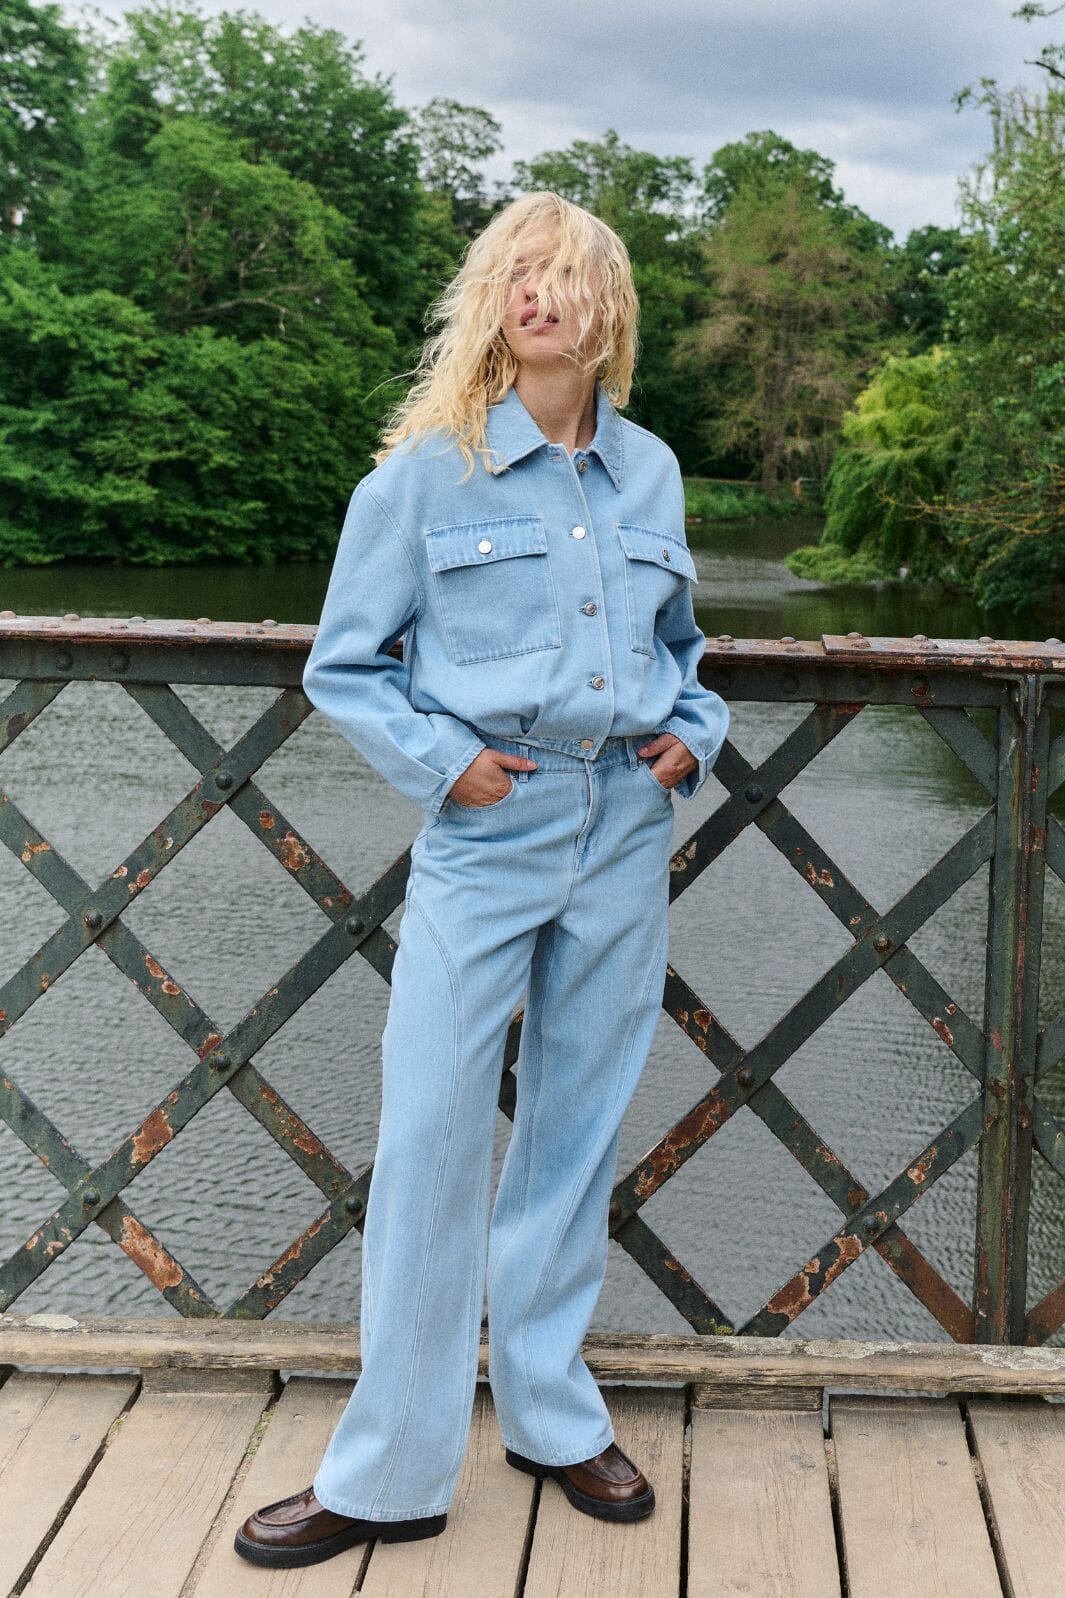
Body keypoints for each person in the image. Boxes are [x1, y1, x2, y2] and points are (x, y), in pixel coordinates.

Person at [234, 190, 729, 1571]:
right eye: (515, 270)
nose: (536, 290)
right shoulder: (422, 475)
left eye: (562, 271)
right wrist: (449, 764)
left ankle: (551, 1415)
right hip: (490, 825)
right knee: (433, 1132)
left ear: (605, 303)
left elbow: (682, 649)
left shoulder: (649, 473)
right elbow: (345, 664)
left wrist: (691, 736)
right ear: (487, 301)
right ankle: (389, 1469)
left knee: (575, 1132)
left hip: (622, 826)